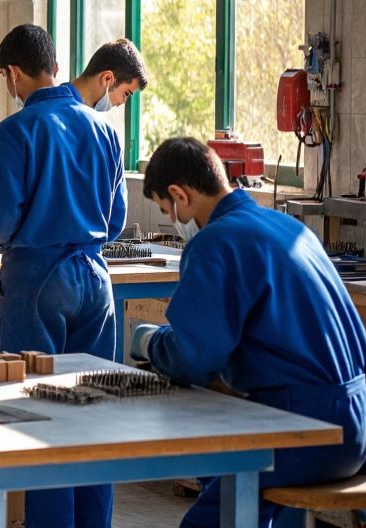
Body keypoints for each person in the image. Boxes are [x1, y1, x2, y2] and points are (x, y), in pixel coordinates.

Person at [129, 137, 366, 528]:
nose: (171, 220)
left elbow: (195, 358)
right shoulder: (286, 227)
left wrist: (151, 342)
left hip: (305, 431)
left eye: (164, 209)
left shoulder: (215, 243)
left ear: (179, 195)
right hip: (356, 419)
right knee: (216, 472)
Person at [0, 23, 124, 528]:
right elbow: (118, 217)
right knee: (93, 411)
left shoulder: (17, 130)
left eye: (7, 79)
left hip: (38, 279)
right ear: (56, 65)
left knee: (40, 416)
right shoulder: (105, 129)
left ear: (13, 74)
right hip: (96, 279)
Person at [70, 38, 149, 112]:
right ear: (107, 78)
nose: (122, 102)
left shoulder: (60, 102)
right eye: (126, 94)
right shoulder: (81, 120)